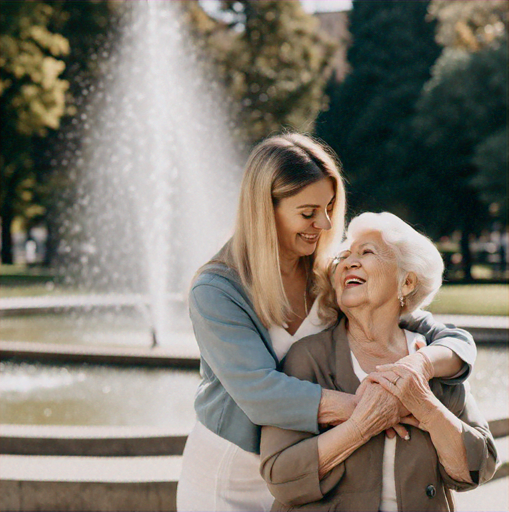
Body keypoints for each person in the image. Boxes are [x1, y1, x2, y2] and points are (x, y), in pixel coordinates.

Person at [177, 134, 477, 512]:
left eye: (330, 207)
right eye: (308, 212)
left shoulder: (330, 275)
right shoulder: (218, 290)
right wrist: (373, 410)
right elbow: (259, 393)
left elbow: (444, 336)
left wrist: (421, 364)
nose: (324, 223)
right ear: (264, 209)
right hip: (228, 475)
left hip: (312, 469)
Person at [260, 212, 498, 511]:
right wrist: (363, 425)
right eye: (344, 256)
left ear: (407, 282)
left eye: (366, 252)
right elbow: (280, 478)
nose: (349, 262)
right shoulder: (308, 357)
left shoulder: (433, 357)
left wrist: (426, 407)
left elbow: (479, 467)